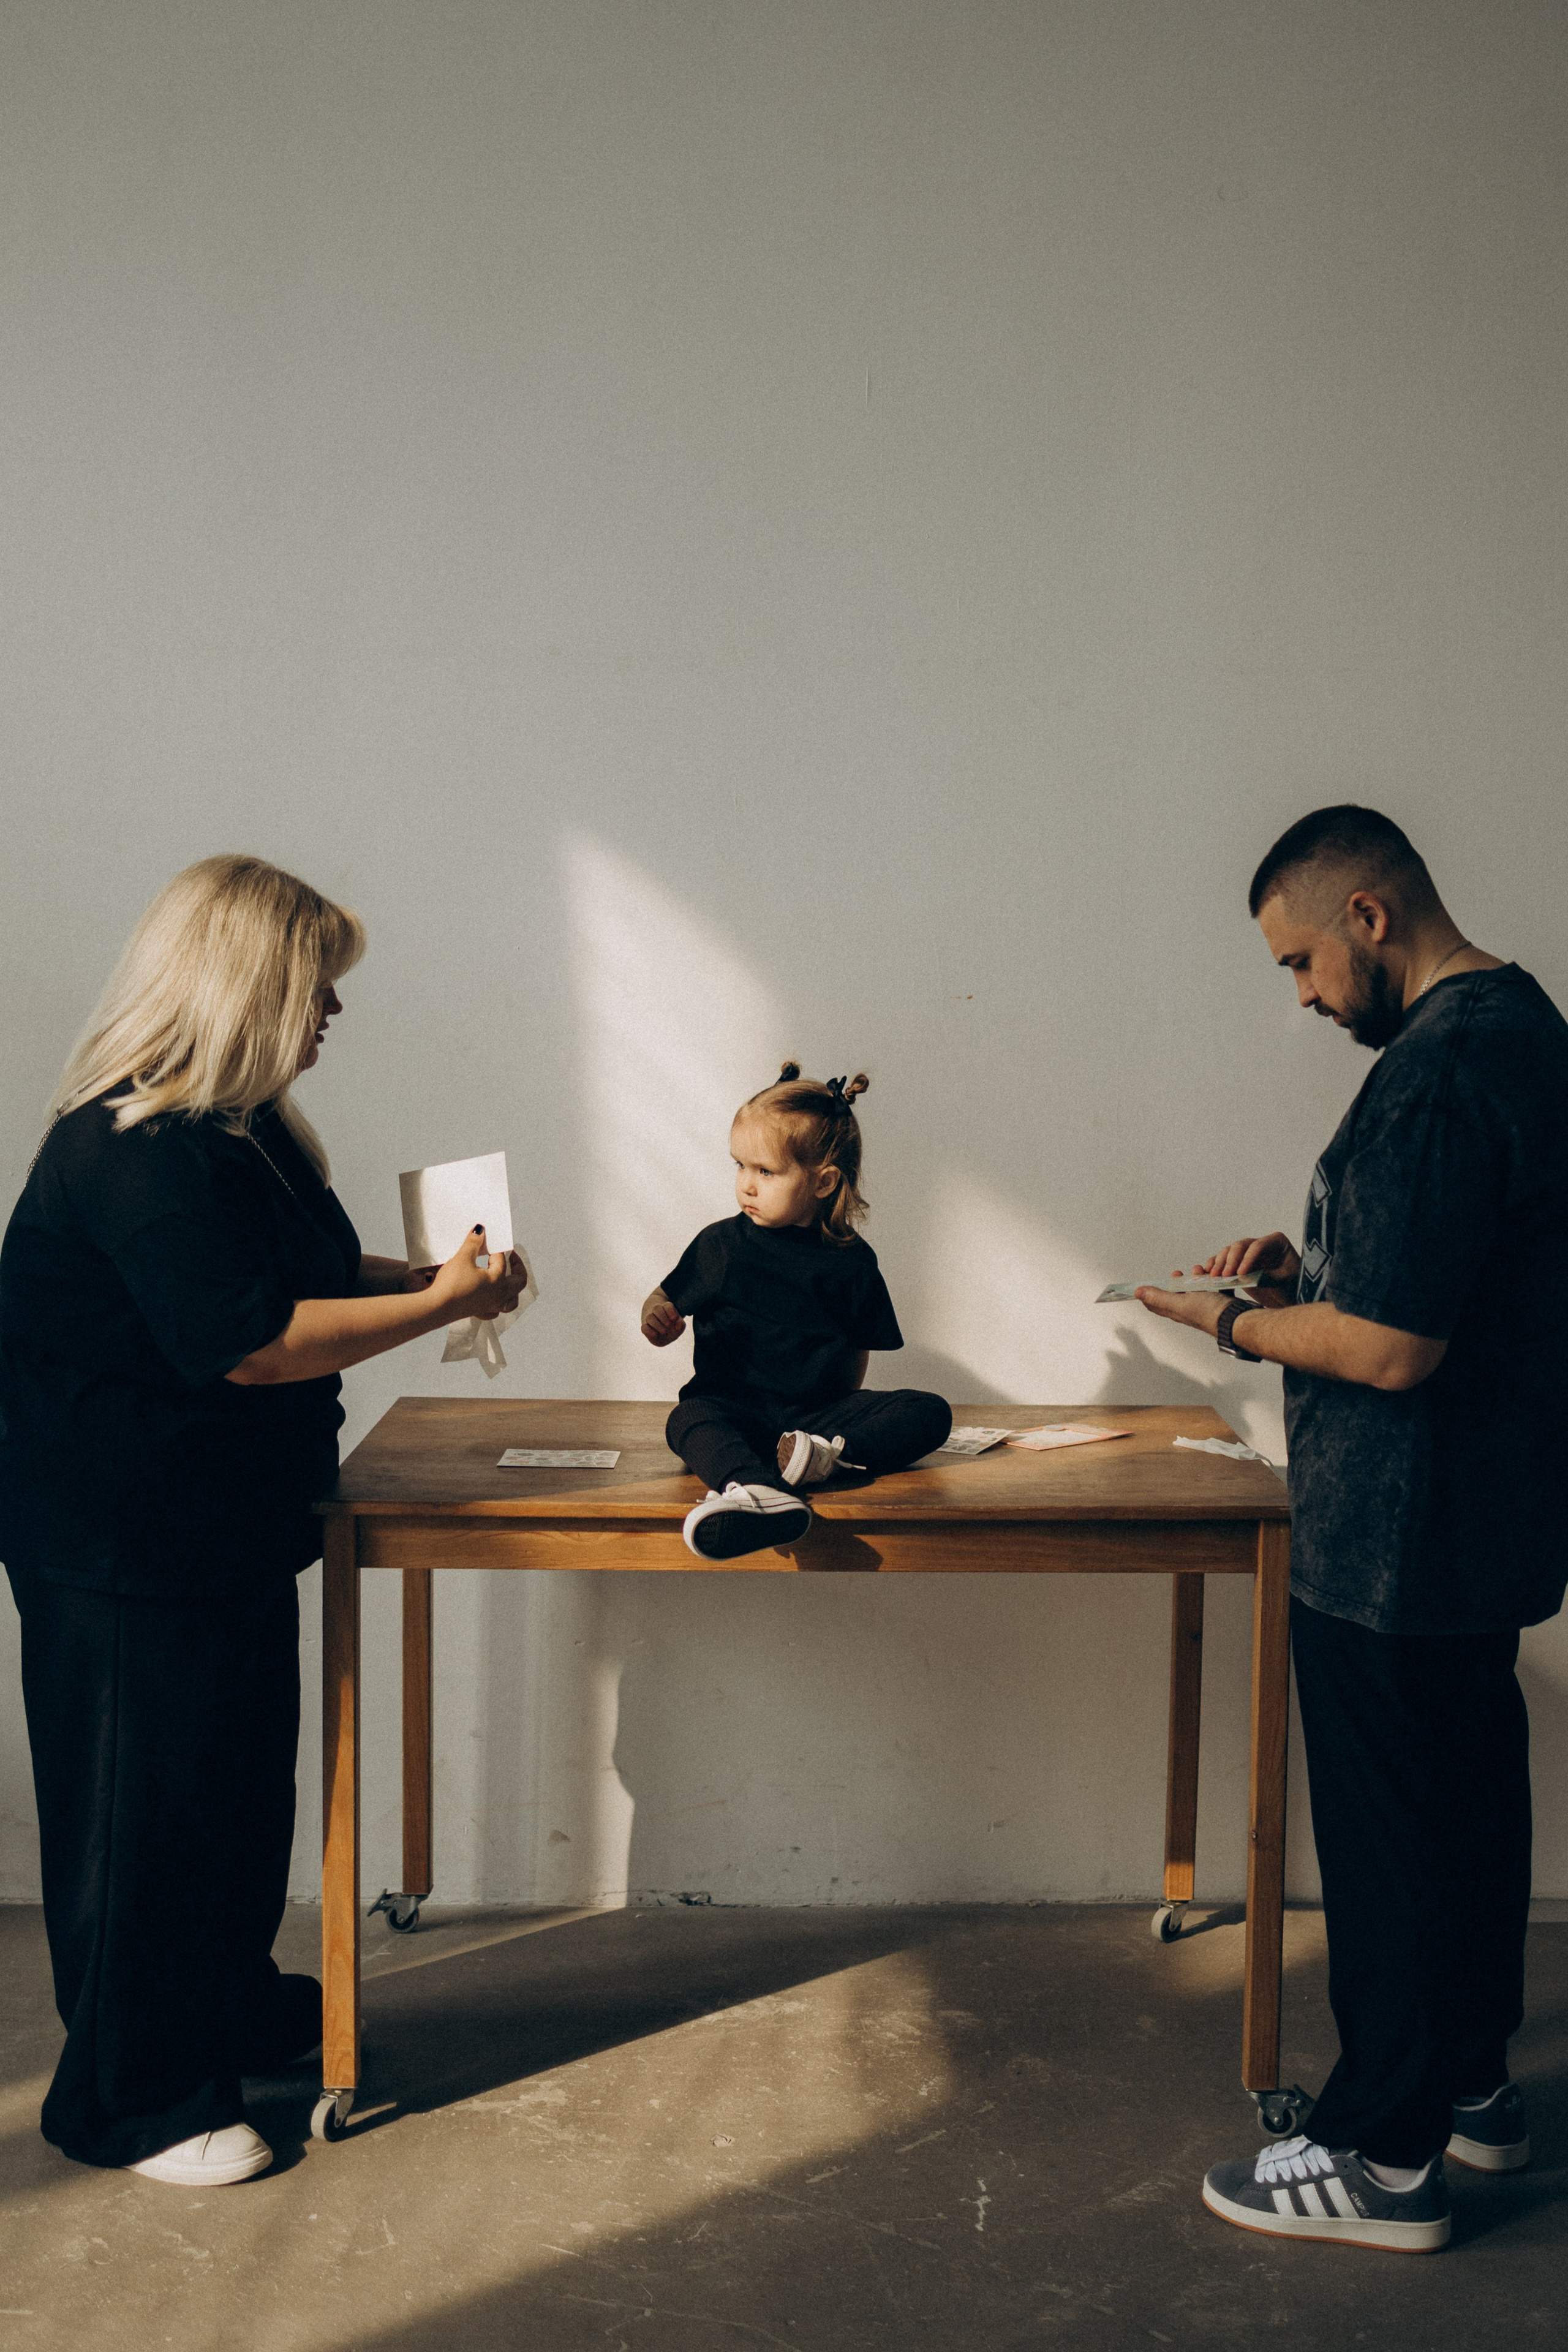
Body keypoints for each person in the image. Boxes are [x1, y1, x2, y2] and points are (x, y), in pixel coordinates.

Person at [0, 854, 528, 2189]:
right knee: (142, 1816)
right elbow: (250, 1341)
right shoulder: (130, 1152)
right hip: (120, 1545)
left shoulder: (243, 1138)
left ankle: (220, 2013)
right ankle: (130, 2103)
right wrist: (444, 1308)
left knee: (233, 1799)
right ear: (246, 986)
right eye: (316, 987)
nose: (333, 1013)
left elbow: (290, 1276)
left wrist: (419, 1275)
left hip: (218, 1528)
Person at [1136, 804, 1568, 2255]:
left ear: (1370, 915)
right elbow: (1443, 1276)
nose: (1305, 995)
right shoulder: (1520, 1027)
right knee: (1461, 1806)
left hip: (1392, 1536)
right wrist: (1307, 1253)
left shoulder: (1437, 1070)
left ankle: (1381, 2158)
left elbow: (1390, 1350)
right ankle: (1465, 2088)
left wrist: (1236, 1319)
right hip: (1473, 1520)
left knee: (1391, 1845)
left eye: (1302, 960)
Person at [643, 1063, 951, 1558]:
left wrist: (833, 1427)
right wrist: (657, 1318)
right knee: (687, 1418)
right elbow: (662, 1297)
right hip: (735, 1411)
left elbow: (857, 1354)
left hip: (816, 1421)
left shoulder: (852, 1261)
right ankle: (758, 1490)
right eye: (739, 1166)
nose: (746, 1184)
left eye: (765, 1172)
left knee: (930, 1411)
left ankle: (822, 1460)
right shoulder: (722, 1245)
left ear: (824, 1183)